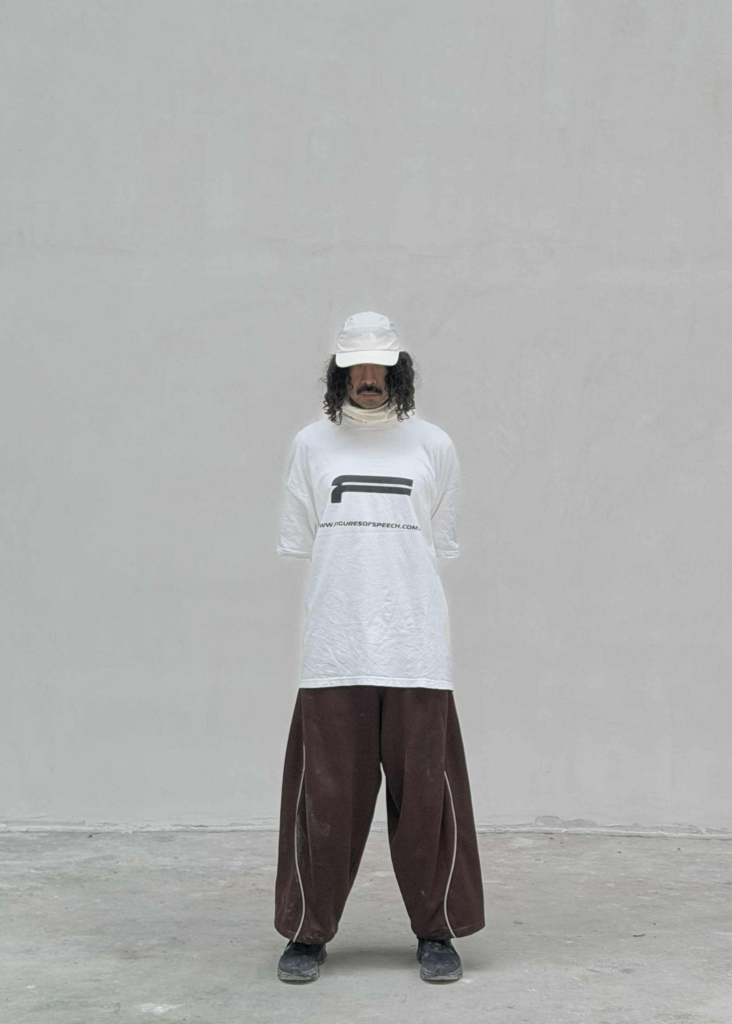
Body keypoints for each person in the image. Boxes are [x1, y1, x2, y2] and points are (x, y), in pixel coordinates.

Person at [273, 311, 485, 983]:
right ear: (339, 372)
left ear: (401, 369)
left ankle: (438, 933)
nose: (369, 377)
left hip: (416, 650)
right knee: (323, 800)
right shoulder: (310, 444)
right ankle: (308, 933)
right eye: (355, 366)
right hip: (334, 650)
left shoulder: (435, 446)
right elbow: (300, 537)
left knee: (428, 799)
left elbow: (438, 544)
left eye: (380, 365)